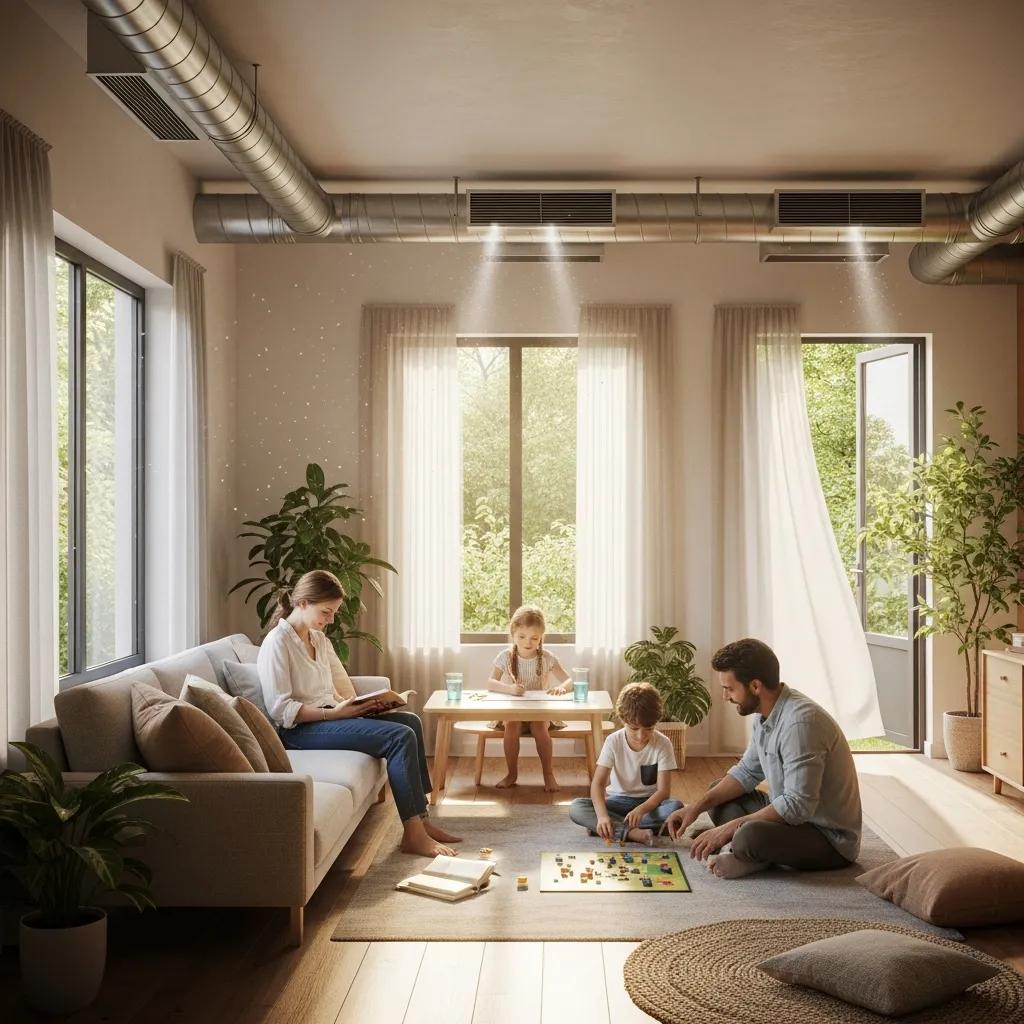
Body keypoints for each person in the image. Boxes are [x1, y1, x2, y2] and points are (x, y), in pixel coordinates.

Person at [257, 569, 462, 858]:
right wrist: (335, 715)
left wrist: (363, 706)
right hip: (300, 732)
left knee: (410, 722)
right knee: (399, 737)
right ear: (302, 603)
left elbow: (330, 692)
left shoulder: (318, 640)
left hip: (331, 716)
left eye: (333, 613)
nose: (330, 620)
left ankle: (423, 821)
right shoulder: (277, 643)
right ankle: (413, 834)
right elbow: (281, 710)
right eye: (326, 612)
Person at [664, 638, 862, 878]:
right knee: (717, 794)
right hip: (793, 822)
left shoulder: (800, 724)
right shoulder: (765, 714)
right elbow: (746, 772)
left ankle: (745, 851)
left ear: (755, 686)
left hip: (826, 838)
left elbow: (798, 806)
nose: (725, 697)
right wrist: (695, 809)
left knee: (749, 835)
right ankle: (748, 853)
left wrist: (728, 829)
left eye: (729, 688)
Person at [568, 682, 683, 846]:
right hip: (617, 801)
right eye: (634, 728)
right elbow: (597, 784)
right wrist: (602, 816)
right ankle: (633, 832)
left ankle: (609, 828)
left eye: (648, 729)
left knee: (676, 807)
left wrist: (641, 809)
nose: (641, 736)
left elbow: (663, 792)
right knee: (577, 807)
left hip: (649, 805)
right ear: (623, 720)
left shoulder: (663, 743)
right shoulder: (613, 741)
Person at [486, 604, 572, 792]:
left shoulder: (547, 657)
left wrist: (561, 688)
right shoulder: (506, 656)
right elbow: (491, 683)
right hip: (514, 711)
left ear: (541, 637)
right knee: (512, 726)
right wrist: (509, 689)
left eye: (534, 638)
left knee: (540, 727)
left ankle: (548, 776)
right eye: (522, 637)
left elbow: (569, 681)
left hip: (539, 712)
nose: (528, 642)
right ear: (513, 635)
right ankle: (511, 774)